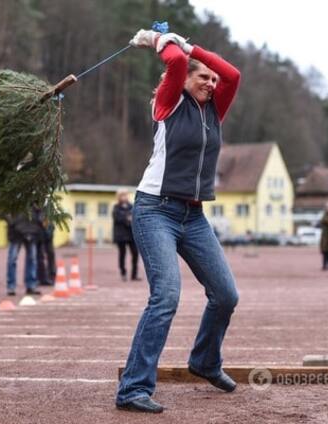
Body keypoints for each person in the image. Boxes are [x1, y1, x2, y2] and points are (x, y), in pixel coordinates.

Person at [115, 29, 241, 413]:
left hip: (194, 215)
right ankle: (133, 389)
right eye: (203, 76)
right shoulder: (169, 101)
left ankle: (204, 362)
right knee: (166, 295)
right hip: (155, 210)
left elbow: (233, 75)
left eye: (211, 79)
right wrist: (160, 41)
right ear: (185, 80)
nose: (211, 82)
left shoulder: (214, 110)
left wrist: (188, 45)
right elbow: (172, 62)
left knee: (226, 295)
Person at [6, 209, 42, 296]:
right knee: (12, 259)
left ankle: (31, 285)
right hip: (16, 232)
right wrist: (13, 223)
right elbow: (6, 210)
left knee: (32, 260)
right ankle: (11, 287)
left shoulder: (37, 197)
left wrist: (38, 225)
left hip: (33, 230)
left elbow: (42, 211)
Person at [112, 189, 139, 281]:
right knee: (122, 254)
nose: (124, 197)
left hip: (132, 235)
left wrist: (127, 218)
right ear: (119, 197)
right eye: (122, 195)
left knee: (135, 253)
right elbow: (118, 218)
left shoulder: (132, 206)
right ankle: (123, 272)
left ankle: (134, 275)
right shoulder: (116, 207)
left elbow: (134, 217)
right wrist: (127, 218)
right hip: (121, 236)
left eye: (125, 195)